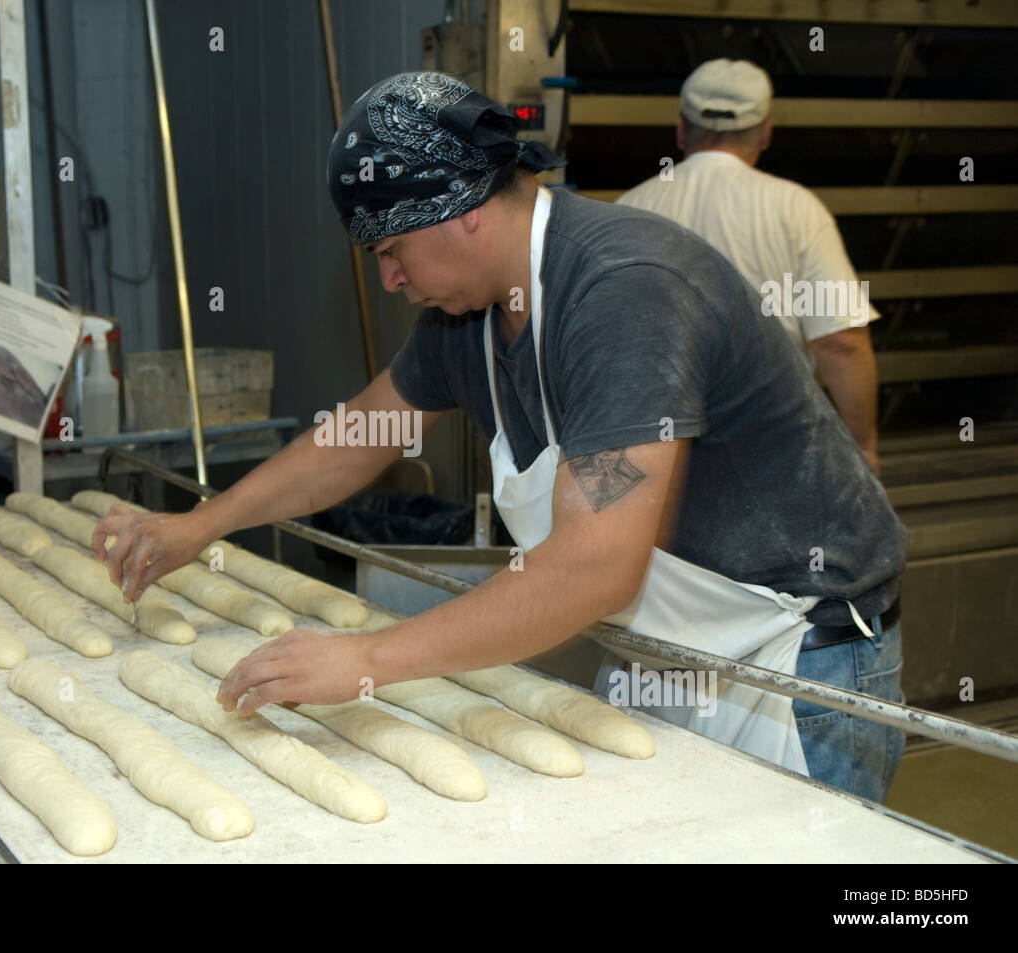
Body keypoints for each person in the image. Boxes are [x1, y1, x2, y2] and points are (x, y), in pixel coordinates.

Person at [94, 72, 907, 803]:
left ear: (466, 214)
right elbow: (360, 434)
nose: (389, 278)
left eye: (391, 248)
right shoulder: (471, 317)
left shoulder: (624, 295)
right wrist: (201, 523)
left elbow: (595, 563)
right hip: (664, 649)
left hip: (794, 659)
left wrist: (366, 658)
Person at [617, 58, 883, 473]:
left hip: (657, 453)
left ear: (682, 129)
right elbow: (841, 343)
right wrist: (863, 449)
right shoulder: (796, 207)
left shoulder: (630, 209)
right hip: (772, 447)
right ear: (765, 133)